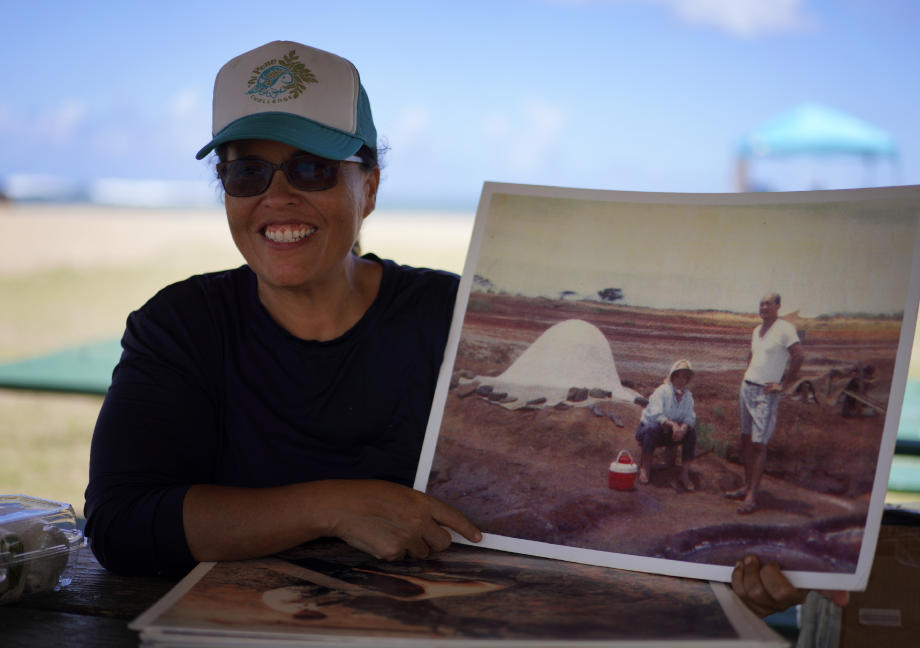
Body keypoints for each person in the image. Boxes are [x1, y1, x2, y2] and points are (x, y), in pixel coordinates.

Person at [82, 40, 813, 617]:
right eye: (245, 173)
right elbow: (119, 523)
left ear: (367, 183)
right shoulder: (180, 326)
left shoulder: (445, 317)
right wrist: (336, 506)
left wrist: (717, 583)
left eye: (309, 169)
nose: (275, 196)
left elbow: (560, 533)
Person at [726, 293, 804, 514]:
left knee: (760, 444)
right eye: (761, 303)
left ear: (778, 306)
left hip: (765, 393)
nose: (764, 307)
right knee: (746, 439)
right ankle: (746, 485)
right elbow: (752, 356)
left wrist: (784, 384)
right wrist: (747, 374)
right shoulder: (756, 330)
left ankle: (752, 496)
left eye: (768, 303)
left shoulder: (785, 328)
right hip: (747, 387)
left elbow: (799, 355)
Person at [634, 359, 697, 491]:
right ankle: (645, 468)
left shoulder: (687, 396)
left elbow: (690, 416)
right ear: (673, 376)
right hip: (648, 431)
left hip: (670, 434)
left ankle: (684, 474)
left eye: (685, 377)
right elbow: (656, 415)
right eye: (679, 375)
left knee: (692, 432)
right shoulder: (662, 391)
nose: (681, 380)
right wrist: (673, 425)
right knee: (653, 427)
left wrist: (683, 427)